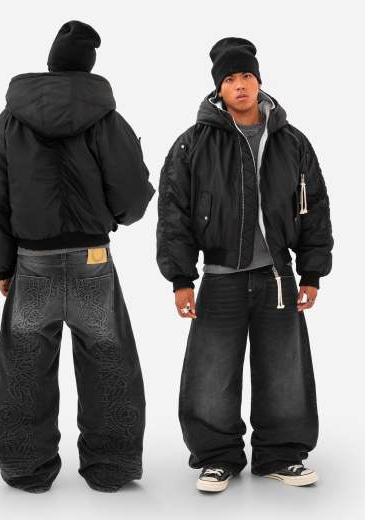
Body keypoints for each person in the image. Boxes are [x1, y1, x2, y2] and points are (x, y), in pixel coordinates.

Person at [0, 20, 155, 493]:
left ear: (52, 62)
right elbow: (133, 195)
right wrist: (114, 218)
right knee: (109, 361)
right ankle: (112, 467)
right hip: (91, 259)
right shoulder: (107, 119)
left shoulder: (10, 119)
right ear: (88, 66)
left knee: (23, 364)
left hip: (31, 261)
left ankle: (25, 468)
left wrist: (3, 263)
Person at [156, 37, 333, 492]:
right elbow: (174, 214)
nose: (240, 85)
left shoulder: (291, 141)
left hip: (278, 277)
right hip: (220, 278)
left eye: (247, 76)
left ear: (259, 81)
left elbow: (314, 208)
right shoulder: (192, 144)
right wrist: (180, 278)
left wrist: (312, 272)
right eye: (230, 78)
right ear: (219, 88)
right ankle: (217, 458)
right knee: (211, 373)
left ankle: (282, 455)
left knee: (284, 370)